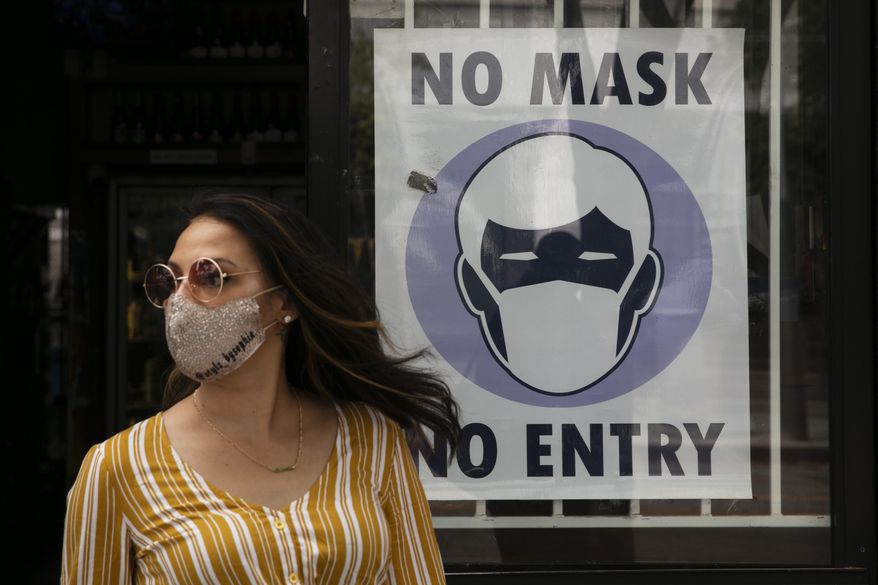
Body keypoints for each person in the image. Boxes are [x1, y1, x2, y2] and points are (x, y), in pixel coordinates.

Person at [61, 192, 461, 584]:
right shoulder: (116, 468)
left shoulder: (374, 440)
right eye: (170, 281)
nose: (180, 301)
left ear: (282, 302)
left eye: (210, 276)